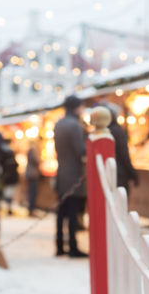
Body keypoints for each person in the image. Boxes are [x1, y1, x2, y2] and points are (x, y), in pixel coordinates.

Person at [53, 95, 88, 258]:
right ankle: (73, 246)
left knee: (61, 212)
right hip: (74, 174)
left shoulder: (59, 124)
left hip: (61, 172)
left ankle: (60, 245)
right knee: (73, 212)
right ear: (76, 107)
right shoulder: (75, 125)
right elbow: (81, 150)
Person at [104, 103, 139, 195]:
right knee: (120, 203)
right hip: (118, 175)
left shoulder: (103, 131)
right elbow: (124, 155)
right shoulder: (117, 131)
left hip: (105, 175)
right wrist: (133, 175)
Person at [25, 137, 42, 215]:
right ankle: (31, 209)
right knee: (32, 192)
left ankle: (31, 208)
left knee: (32, 192)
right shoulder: (32, 150)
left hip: (32, 173)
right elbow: (36, 161)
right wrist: (40, 160)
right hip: (32, 174)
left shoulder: (31, 150)